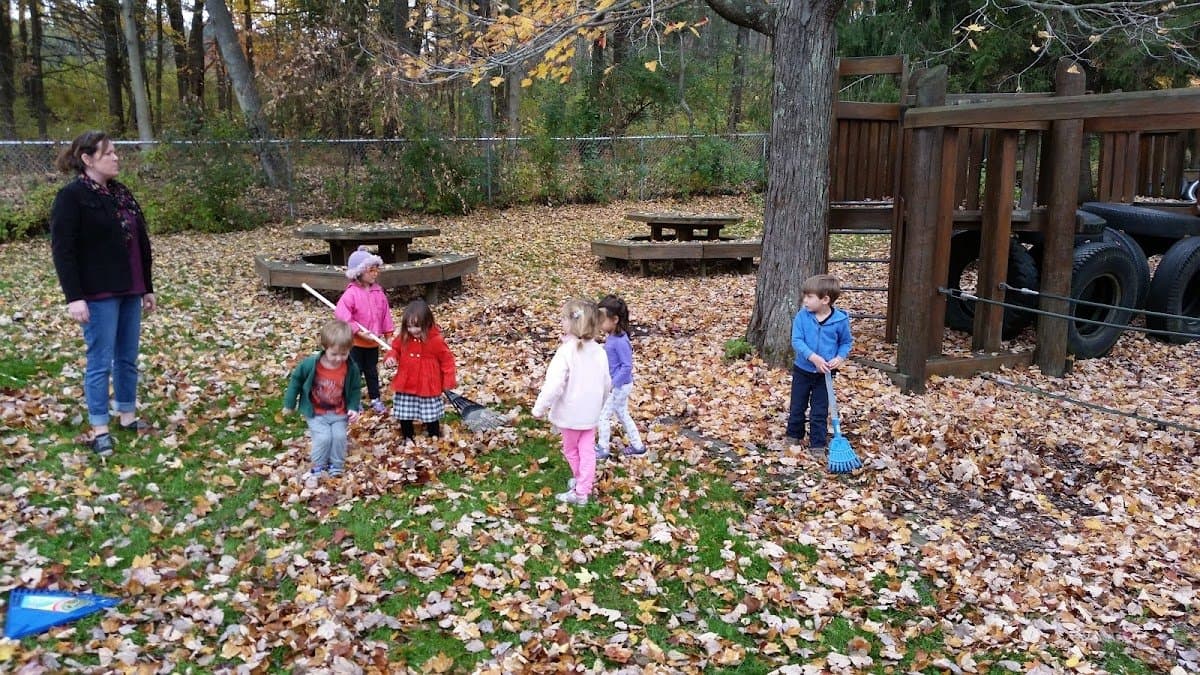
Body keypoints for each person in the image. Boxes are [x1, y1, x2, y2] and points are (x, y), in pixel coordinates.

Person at [49, 130, 156, 458]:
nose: (116, 157)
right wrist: (74, 297)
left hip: (131, 288)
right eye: (108, 153)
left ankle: (126, 415)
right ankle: (99, 428)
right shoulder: (72, 197)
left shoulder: (121, 193)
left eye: (115, 152)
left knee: (127, 357)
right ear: (87, 159)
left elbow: (141, 241)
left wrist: (147, 287)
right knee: (100, 360)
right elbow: (63, 250)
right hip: (98, 292)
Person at [532, 299, 611, 506]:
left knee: (571, 450)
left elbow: (554, 385)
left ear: (573, 323)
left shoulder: (566, 352)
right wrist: (600, 404)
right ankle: (583, 485)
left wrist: (540, 407)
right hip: (591, 413)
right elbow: (606, 383)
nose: (561, 322)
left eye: (563, 318)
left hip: (570, 413)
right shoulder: (600, 352)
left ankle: (580, 488)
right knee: (587, 450)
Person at [282, 320, 363, 479]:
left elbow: (354, 389)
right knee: (324, 438)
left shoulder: (350, 368)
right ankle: (318, 465)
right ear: (325, 348)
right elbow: (296, 380)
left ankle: (336, 465)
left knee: (339, 437)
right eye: (334, 354)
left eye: (344, 354)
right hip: (316, 412)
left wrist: (353, 407)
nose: (339, 358)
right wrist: (289, 403)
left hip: (339, 411)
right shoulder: (311, 364)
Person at [786, 274, 853, 456]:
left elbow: (846, 342)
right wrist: (813, 357)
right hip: (802, 370)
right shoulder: (802, 317)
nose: (805, 301)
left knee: (820, 409)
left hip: (825, 375)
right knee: (797, 405)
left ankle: (817, 443)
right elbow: (797, 340)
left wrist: (840, 358)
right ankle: (794, 434)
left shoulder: (840, 321)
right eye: (805, 296)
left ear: (825, 300)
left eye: (809, 297)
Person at [383, 298, 456, 442]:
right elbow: (395, 349)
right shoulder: (404, 337)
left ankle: (433, 434)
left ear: (427, 323)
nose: (413, 330)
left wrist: (448, 379)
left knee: (430, 412)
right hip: (406, 381)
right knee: (405, 411)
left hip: (428, 382)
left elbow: (447, 360)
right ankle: (408, 436)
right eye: (409, 326)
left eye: (417, 326)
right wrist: (391, 357)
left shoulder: (435, 340)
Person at [335, 246, 394, 414]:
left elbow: (385, 314)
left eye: (377, 270)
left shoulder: (378, 292)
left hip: (373, 343)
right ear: (359, 272)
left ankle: (375, 398)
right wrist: (358, 332)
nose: (375, 273)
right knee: (355, 373)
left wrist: (388, 334)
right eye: (371, 270)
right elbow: (342, 314)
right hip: (356, 343)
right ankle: (354, 401)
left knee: (372, 372)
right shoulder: (351, 294)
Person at [595, 295, 646, 459]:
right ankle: (638, 446)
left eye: (602, 320)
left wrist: (612, 384)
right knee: (622, 414)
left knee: (603, 415)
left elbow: (627, 366)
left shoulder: (621, 341)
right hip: (618, 385)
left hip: (620, 386)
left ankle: (603, 448)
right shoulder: (612, 336)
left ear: (615, 319)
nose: (599, 324)